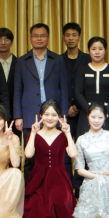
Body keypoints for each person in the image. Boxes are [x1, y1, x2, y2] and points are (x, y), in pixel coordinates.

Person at [14, 24, 69, 180]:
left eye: (43, 35)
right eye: (36, 36)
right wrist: (18, 116)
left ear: (48, 38)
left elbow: (64, 89)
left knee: (56, 157)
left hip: (54, 115)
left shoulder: (57, 59)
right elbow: (17, 90)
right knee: (30, 159)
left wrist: (63, 115)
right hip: (30, 115)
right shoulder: (22, 61)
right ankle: (30, 191)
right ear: (30, 38)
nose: (39, 39)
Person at [23, 100, 77, 218]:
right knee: (37, 205)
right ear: (40, 116)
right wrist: (33, 133)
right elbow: (29, 154)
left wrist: (68, 133)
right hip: (38, 178)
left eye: (54, 115)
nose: (50, 118)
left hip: (59, 178)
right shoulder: (33, 135)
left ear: (59, 117)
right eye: (46, 114)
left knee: (58, 199)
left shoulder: (63, 136)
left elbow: (73, 154)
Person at [73, 103, 109, 218]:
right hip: (92, 179)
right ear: (88, 117)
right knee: (100, 182)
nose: (96, 120)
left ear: (105, 118)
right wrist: (97, 177)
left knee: (103, 181)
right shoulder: (81, 139)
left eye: (100, 117)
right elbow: (79, 169)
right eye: (93, 117)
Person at [74, 37, 109, 138]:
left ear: (105, 50)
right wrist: (90, 112)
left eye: (100, 49)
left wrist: (106, 112)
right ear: (88, 51)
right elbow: (78, 92)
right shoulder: (82, 69)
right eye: (93, 49)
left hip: (108, 114)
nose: (97, 52)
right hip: (86, 114)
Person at [61, 23, 92, 139]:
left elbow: (90, 86)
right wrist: (67, 107)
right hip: (64, 112)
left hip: (84, 111)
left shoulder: (88, 59)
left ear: (79, 38)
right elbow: (57, 86)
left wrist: (77, 106)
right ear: (63, 38)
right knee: (65, 146)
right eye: (68, 35)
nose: (71, 38)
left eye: (74, 35)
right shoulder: (58, 60)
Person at [0, 28, 18, 127]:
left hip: (15, 112)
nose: (3, 43)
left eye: (6, 40)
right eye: (0, 40)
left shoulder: (20, 63)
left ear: (12, 43)